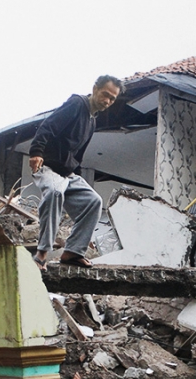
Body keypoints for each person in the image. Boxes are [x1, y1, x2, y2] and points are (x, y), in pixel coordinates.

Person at [29, 75, 124, 270]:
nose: (107, 101)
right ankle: (41, 254)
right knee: (55, 193)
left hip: (67, 174)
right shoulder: (76, 104)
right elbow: (48, 126)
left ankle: (73, 252)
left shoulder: (92, 122)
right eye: (105, 95)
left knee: (94, 202)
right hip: (47, 167)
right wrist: (36, 152)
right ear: (95, 88)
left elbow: (77, 154)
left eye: (112, 99)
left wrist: (76, 175)